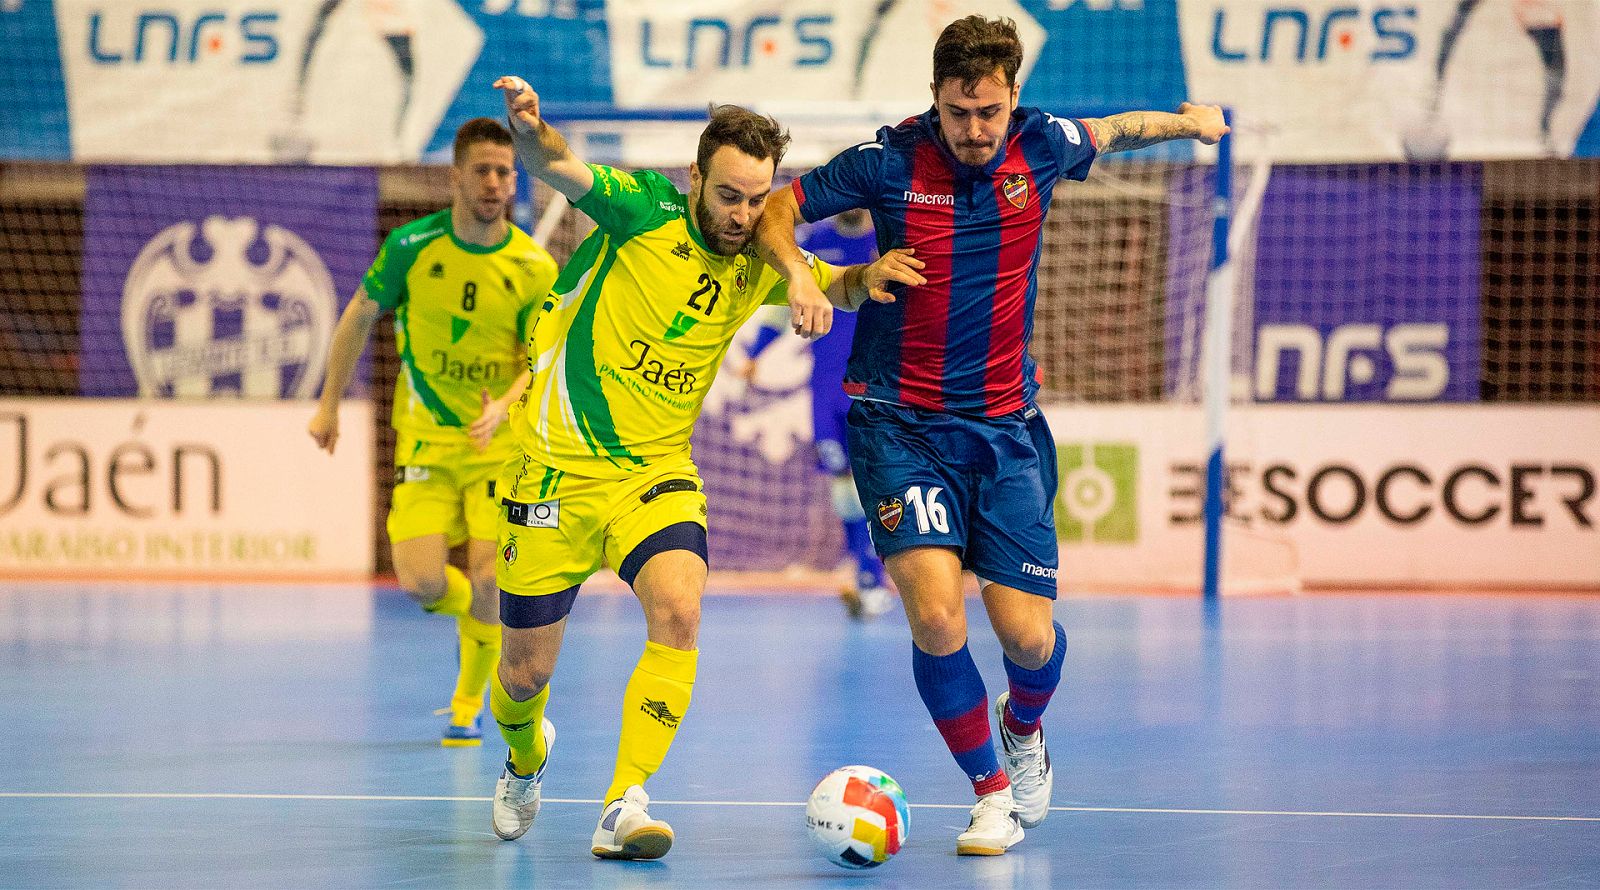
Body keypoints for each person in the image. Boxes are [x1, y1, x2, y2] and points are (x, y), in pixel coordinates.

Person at [754, 15, 1228, 856]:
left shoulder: (1042, 145)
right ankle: (991, 794)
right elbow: (776, 212)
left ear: (1014, 97)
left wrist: (1189, 123)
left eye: (990, 111)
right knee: (937, 618)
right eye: (958, 111)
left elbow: (1119, 131)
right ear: (934, 100)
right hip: (897, 424)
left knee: (1030, 639)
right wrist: (813, 277)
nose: (975, 130)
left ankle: (1024, 727)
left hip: (1005, 429)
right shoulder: (887, 163)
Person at [487, 75, 924, 860]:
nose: (742, 216)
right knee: (521, 676)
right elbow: (560, 165)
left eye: (757, 200)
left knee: (681, 610)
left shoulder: (760, 255)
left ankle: (624, 803)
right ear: (696, 179)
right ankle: (524, 757)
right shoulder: (642, 209)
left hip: (654, 475)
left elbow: (841, 285)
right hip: (553, 471)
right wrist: (528, 130)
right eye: (728, 196)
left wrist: (870, 277)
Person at [308, 117, 558, 747]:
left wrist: (506, 401)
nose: (496, 182)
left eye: (506, 171)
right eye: (483, 170)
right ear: (456, 176)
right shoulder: (411, 248)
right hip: (424, 438)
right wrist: (329, 403)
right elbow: (358, 318)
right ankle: (481, 626)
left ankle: (467, 703)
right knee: (419, 578)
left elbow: (544, 359)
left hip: (499, 446)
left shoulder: (532, 265)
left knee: (489, 578)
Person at [740, 208, 894, 619]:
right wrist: (755, 353)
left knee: (879, 485)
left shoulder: (888, 236)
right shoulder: (810, 243)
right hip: (826, 389)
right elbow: (781, 303)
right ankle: (868, 580)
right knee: (842, 483)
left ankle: (880, 579)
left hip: (877, 386)